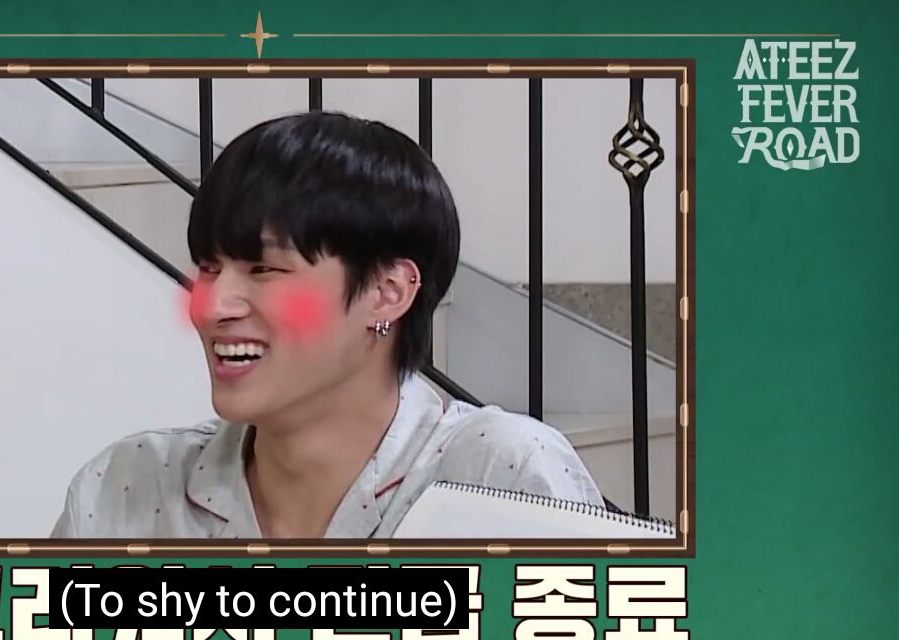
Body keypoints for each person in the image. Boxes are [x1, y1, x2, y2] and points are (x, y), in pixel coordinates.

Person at [51, 111, 603, 539]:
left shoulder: (501, 473)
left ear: (388, 293)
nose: (212, 305)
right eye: (209, 268)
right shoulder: (124, 488)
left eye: (263, 269)